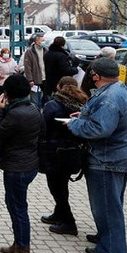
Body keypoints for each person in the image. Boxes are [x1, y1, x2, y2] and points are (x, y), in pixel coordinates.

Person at [67, 58, 127, 253]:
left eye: (92, 74)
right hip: (118, 156)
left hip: (107, 159)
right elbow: (106, 119)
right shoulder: (118, 90)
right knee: (111, 202)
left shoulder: (109, 98)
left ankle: (112, 247)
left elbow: (100, 129)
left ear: (96, 75)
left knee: (106, 204)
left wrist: (75, 125)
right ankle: (105, 235)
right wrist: (84, 115)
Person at [0, 74, 44, 253]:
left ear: (8, 93)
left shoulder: (15, 114)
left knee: (18, 208)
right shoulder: (33, 108)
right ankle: (18, 244)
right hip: (28, 164)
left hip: (17, 166)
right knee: (15, 204)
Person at [40, 76, 88, 236]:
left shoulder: (52, 105)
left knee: (56, 187)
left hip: (54, 152)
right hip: (73, 152)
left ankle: (68, 221)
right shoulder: (83, 105)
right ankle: (59, 213)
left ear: (58, 87)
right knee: (62, 185)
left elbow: (43, 126)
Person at [22, 33, 47, 107]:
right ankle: (35, 114)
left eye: (44, 40)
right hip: (35, 79)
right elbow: (28, 67)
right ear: (36, 41)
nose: (43, 42)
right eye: (42, 40)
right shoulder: (30, 52)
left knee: (46, 98)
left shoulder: (46, 50)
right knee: (34, 100)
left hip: (45, 78)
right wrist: (30, 79)